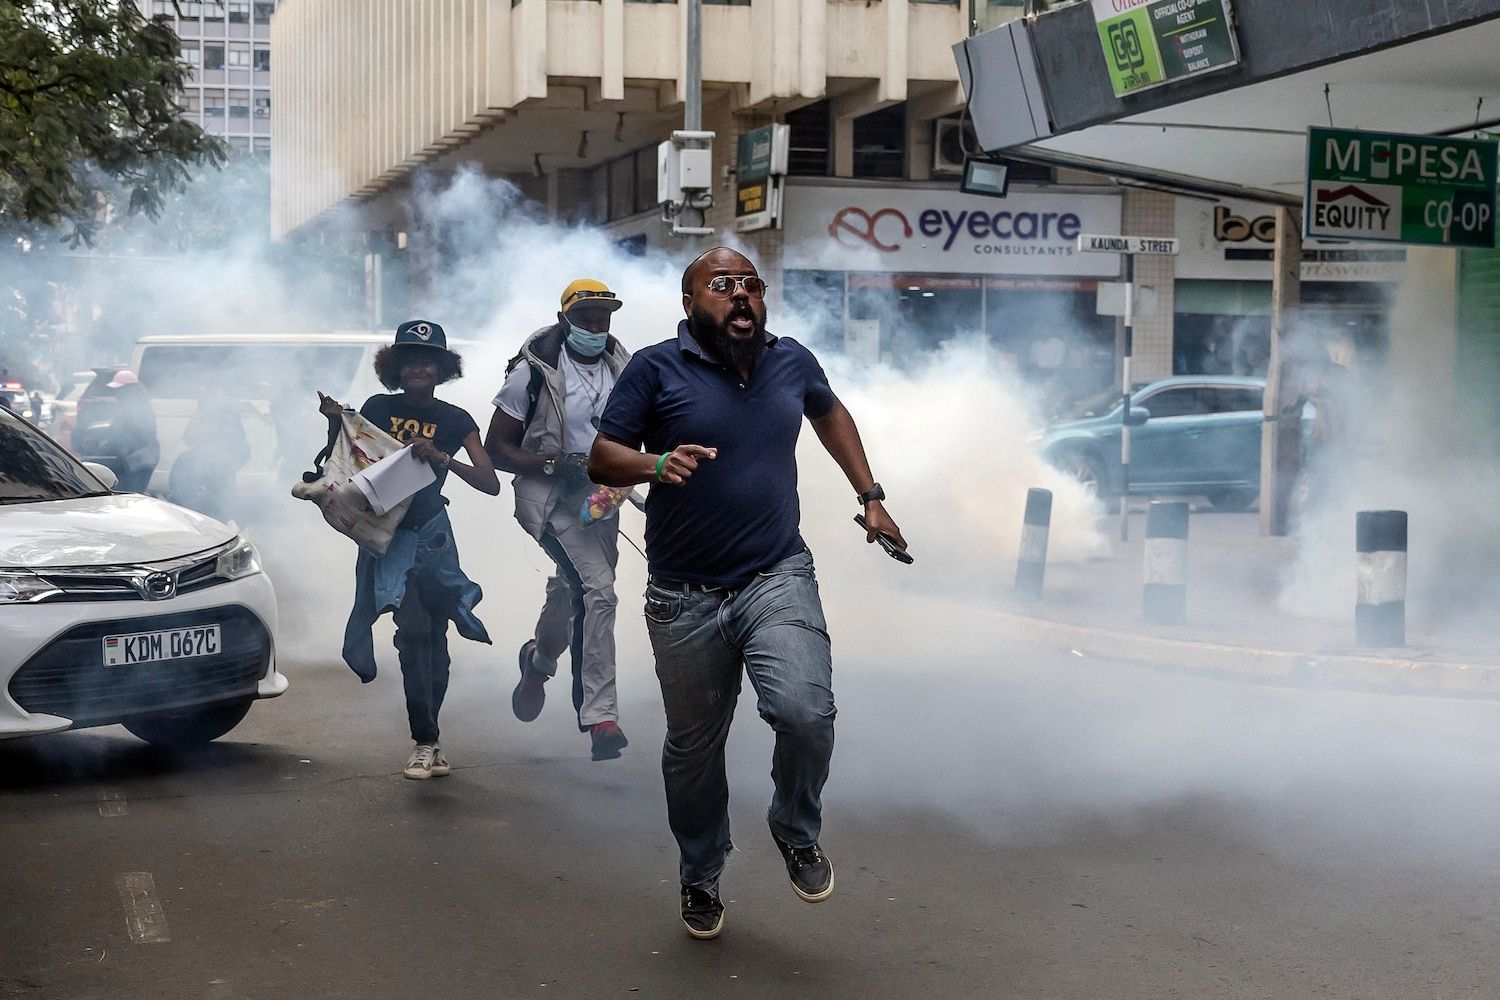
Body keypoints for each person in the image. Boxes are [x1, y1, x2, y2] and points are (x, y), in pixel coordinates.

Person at [589, 247, 907, 940]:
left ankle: (794, 827)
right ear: (690, 302)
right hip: (683, 597)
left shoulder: (791, 360)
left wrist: (871, 496)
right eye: (722, 285)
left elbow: (830, 413)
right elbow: (602, 455)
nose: (741, 296)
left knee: (805, 712)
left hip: (775, 574)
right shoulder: (654, 367)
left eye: (752, 285)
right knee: (694, 749)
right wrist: (656, 461)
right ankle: (700, 875)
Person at [323, 320, 500, 781]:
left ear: (442, 369)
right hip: (386, 538)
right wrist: (334, 423)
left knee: (430, 636)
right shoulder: (377, 408)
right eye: (409, 360)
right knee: (414, 634)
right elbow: (344, 461)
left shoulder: (457, 420)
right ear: (395, 368)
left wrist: (442, 457)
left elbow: (490, 483)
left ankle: (429, 737)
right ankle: (424, 740)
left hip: (431, 537)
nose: (418, 367)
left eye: (428, 360)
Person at [484, 279, 633, 761]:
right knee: (600, 590)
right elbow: (496, 449)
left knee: (574, 589)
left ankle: (539, 660)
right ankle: (600, 716)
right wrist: (554, 463)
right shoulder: (532, 373)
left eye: (603, 317)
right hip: (550, 499)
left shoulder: (623, 368)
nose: (595, 326)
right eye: (586, 317)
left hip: (603, 498)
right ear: (566, 317)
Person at [101, 370, 159, 492]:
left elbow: (144, 434)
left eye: (120, 389)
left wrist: (126, 448)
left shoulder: (140, 408)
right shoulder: (124, 407)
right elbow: (116, 430)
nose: (117, 393)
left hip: (141, 458)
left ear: (129, 389)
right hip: (129, 457)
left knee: (133, 494)